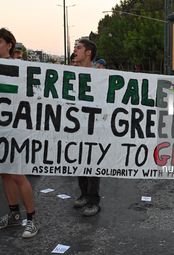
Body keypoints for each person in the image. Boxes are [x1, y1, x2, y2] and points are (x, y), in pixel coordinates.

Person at [0, 28, 40, 238]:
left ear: (9, 46)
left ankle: (32, 219)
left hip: (16, 129)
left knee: (17, 174)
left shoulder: (20, 68)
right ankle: (14, 215)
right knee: (4, 173)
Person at [73, 39, 101, 217]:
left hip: (94, 124)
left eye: (79, 48)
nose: (75, 50)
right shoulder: (71, 73)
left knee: (93, 163)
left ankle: (94, 201)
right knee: (78, 160)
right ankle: (83, 194)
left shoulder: (99, 74)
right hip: (76, 124)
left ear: (88, 52)